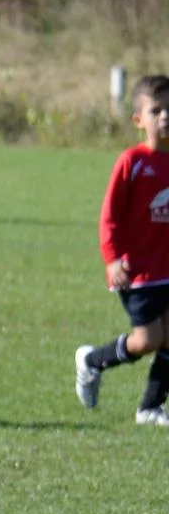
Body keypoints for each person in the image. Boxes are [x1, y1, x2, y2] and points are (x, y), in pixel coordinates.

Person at [76, 75, 169, 427]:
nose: (165, 116)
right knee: (147, 340)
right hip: (137, 271)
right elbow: (110, 215)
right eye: (156, 110)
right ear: (139, 120)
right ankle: (93, 361)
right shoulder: (133, 161)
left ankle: (151, 408)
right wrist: (112, 259)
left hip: (167, 268)